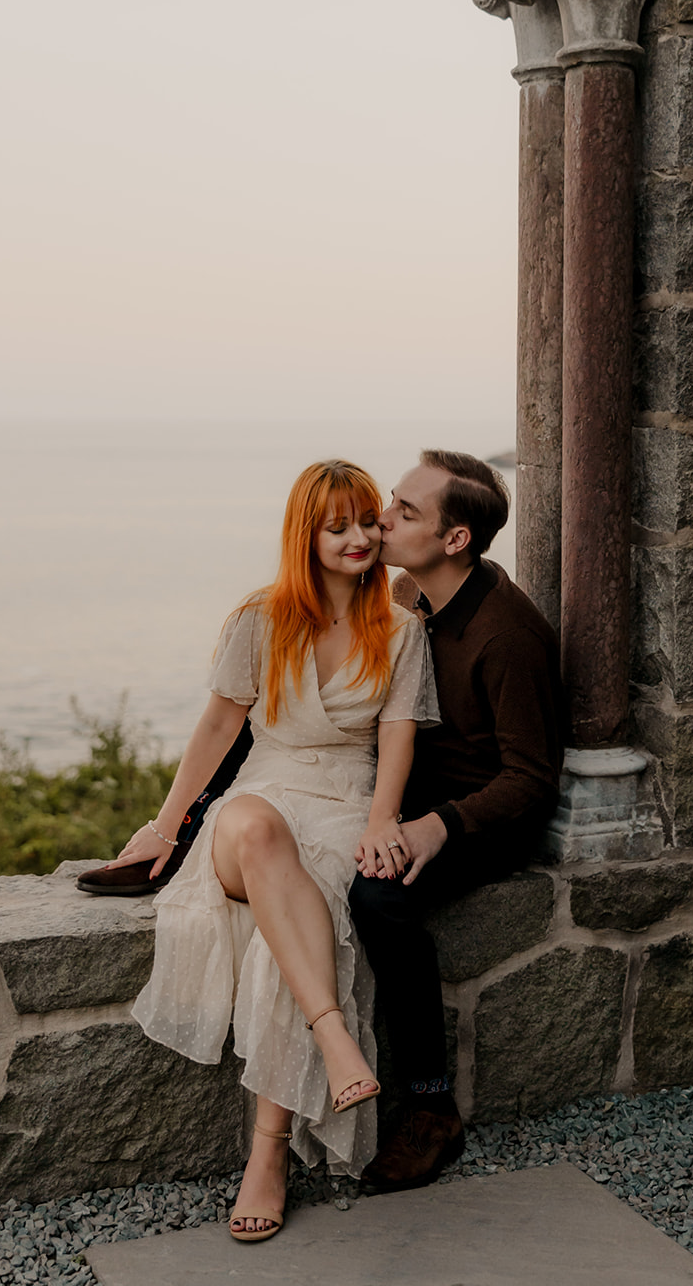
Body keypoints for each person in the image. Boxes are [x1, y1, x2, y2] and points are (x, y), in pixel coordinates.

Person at [108, 460, 437, 1243]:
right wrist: (164, 826)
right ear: (306, 536)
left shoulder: (400, 627)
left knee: (290, 933)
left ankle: (267, 1160)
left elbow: (394, 741)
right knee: (255, 828)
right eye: (337, 527)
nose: (359, 538)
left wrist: (380, 822)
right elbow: (219, 730)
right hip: (260, 801)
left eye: (367, 522)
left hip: (343, 810)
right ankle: (334, 1035)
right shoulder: (259, 618)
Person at [349, 449, 566, 1193]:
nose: (382, 518)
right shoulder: (410, 592)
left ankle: (431, 1108)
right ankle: (174, 837)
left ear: (455, 540)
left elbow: (531, 779)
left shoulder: (507, 636)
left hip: (481, 821)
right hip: (412, 798)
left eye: (405, 512)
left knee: (376, 897)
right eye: (391, 501)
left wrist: (435, 828)